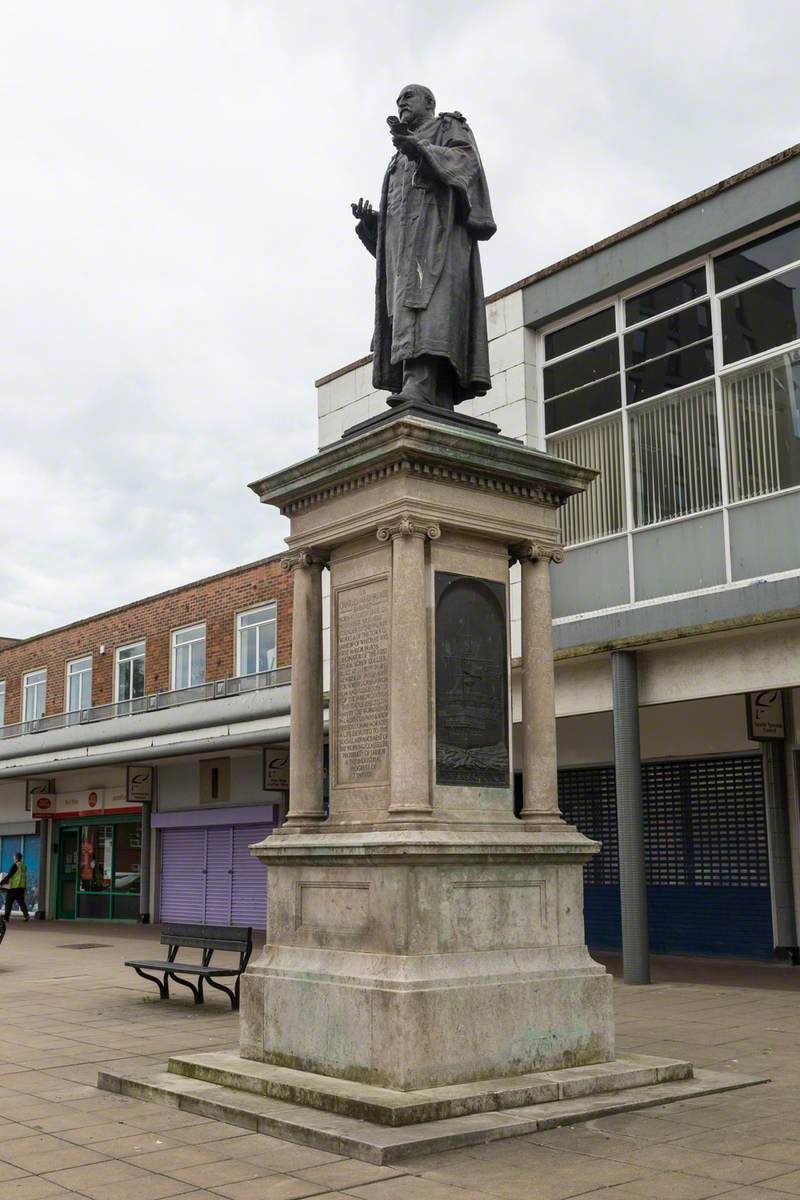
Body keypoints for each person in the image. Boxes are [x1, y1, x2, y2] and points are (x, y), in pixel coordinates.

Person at [352, 84, 496, 412]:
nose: (401, 103)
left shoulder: (448, 127)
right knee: (405, 309)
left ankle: (423, 383)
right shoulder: (396, 157)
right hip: (408, 255)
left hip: (439, 240)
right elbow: (398, 226)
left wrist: (420, 149)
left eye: (408, 97)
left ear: (429, 102)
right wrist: (375, 224)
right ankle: (418, 385)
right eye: (398, 100)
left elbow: (465, 163)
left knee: (431, 310)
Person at [1, 852, 29, 922]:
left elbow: (9, 875)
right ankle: (26, 915)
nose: (13, 859)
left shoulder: (15, 866)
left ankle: (6, 917)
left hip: (15, 887)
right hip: (22, 887)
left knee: (8, 902)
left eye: (14, 857)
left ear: (16, 858)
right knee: (21, 902)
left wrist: (1, 883)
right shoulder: (24, 866)